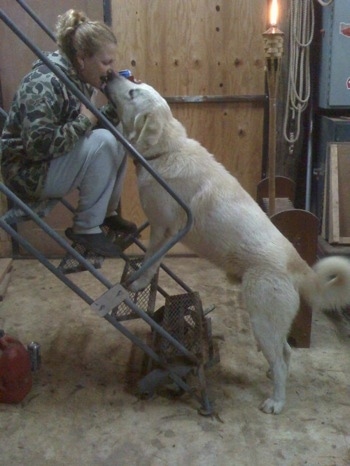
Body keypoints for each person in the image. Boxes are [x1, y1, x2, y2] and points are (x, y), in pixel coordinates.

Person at [0, 9, 137, 257]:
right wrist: (86, 120)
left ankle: (107, 213)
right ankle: (86, 228)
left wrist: (118, 103)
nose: (111, 70)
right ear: (83, 59)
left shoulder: (78, 78)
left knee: (115, 132)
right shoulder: (44, 83)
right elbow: (38, 147)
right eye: (106, 63)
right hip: (27, 172)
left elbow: (88, 127)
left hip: (49, 161)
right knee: (105, 140)